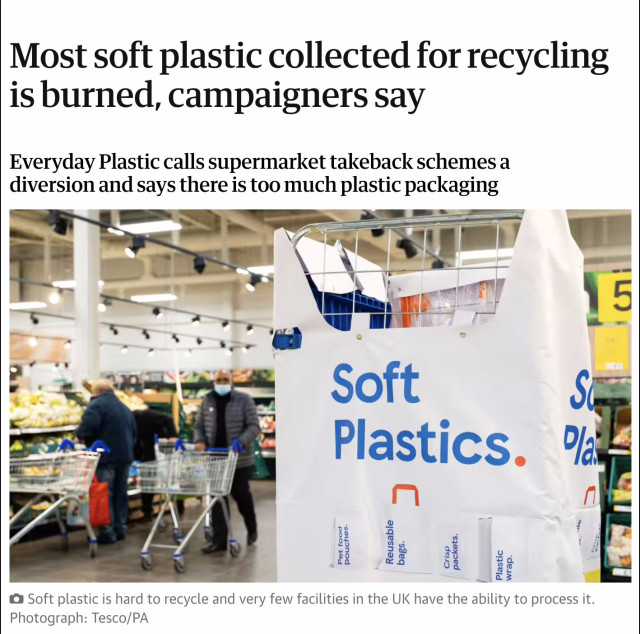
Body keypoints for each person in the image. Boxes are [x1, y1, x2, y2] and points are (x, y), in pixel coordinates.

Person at [194, 369, 260, 552]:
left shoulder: (244, 400)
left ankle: (251, 527)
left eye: (225, 380)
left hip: (238, 459)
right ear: (213, 382)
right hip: (215, 458)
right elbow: (199, 425)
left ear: (231, 382)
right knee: (217, 499)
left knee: (241, 495)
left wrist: (241, 441)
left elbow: (254, 426)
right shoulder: (208, 400)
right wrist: (199, 441)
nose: (222, 383)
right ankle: (219, 541)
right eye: (218, 380)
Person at [75, 379, 136, 544]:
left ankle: (107, 531)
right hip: (124, 456)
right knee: (120, 493)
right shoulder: (124, 407)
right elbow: (134, 431)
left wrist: (79, 435)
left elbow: (89, 425)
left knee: (105, 494)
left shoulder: (97, 405)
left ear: (95, 392)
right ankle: (120, 528)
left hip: (105, 456)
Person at [133, 408, 179, 521]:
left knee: (150, 479)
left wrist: (173, 436)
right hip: (148, 451)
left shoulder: (143, 415)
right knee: (150, 479)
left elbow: (167, 419)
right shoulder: (131, 419)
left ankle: (148, 512)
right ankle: (148, 511)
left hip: (157, 450)